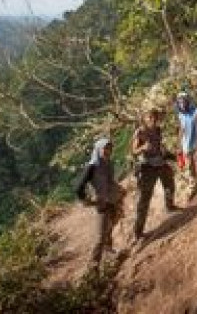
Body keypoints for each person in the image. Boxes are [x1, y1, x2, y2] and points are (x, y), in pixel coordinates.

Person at [75, 137, 125, 267]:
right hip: (101, 202)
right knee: (100, 237)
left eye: (109, 148)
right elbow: (79, 187)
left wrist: (119, 189)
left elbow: (110, 181)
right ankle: (93, 266)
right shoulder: (92, 167)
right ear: (98, 150)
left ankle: (109, 252)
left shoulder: (108, 163)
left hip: (112, 200)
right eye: (104, 148)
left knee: (110, 225)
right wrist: (85, 199)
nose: (107, 151)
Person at [132, 109, 178, 242]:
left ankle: (170, 206)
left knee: (170, 184)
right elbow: (133, 151)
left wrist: (170, 155)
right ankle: (138, 232)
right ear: (145, 119)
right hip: (147, 167)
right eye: (150, 117)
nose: (153, 119)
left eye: (155, 117)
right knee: (144, 200)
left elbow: (159, 145)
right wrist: (142, 148)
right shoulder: (139, 132)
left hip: (160, 162)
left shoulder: (158, 129)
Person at [175, 92, 197, 201]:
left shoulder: (196, 111)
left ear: (188, 101)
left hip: (196, 145)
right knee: (189, 169)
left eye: (184, 101)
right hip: (186, 146)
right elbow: (181, 130)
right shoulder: (180, 114)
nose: (182, 104)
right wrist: (179, 146)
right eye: (180, 102)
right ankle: (194, 188)